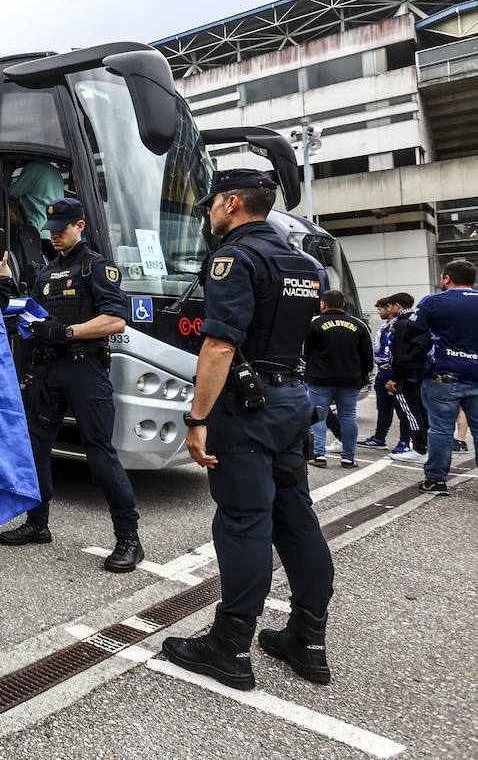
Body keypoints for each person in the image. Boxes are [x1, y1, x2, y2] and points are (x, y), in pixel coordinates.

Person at [162, 169, 334, 691]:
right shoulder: (305, 263)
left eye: (212, 203)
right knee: (296, 518)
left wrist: (196, 420)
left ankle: (228, 647)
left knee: (242, 521)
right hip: (290, 402)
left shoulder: (233, 258)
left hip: (246, 406)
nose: (209, 212)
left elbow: (218, 347)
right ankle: (308, 641)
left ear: (232, 202)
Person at [0, 198, 142, 573]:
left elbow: (114, 322)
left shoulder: (97, 267)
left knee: (99, 452)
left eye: (62, 228)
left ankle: (129, 539)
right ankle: (37, 523)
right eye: (52, 230)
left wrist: (67, 331)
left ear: (80, 225)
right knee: (35, 449)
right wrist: (4, 282)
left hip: (84, 369)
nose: (55, 235)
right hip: (48, 371)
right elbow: (30, 317)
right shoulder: (47, 272)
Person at [412, 260, 478, 495]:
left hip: (442, 375)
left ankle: (436, 480)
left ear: (447, 278)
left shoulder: (433, 301)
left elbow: (413, 330)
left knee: (440, 429)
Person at [302, 290, 373, 468]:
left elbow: (304, 351)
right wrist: (363, 375)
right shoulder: (358, 324)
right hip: (350, 379)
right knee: (349, 416)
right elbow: (368, 356)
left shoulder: (313, 323)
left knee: (319, 415)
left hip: (320, 378)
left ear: (323, 305)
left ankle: (318, 455)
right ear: (343, 305)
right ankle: (348, 457)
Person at [386, 293, 429, 465]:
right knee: (420, 410)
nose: (389, 310)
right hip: (419, 372)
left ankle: (419, 449)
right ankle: (426, 447)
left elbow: (401, 355)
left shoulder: (404, 324)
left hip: (407, 375)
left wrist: (395, 378)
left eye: (390, 306)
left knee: (411, 412)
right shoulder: (418, 320)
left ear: (397, 305)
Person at [359, 297, 401, 450]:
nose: (379, 312)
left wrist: (388, 366)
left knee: (401, 409)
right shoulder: (385, 326)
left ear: (388, 308)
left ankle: (405, 441)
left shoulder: (397, 325)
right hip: (382, 370)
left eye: (380, 309)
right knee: (383, 408)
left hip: (390, 371)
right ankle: (379, 438)